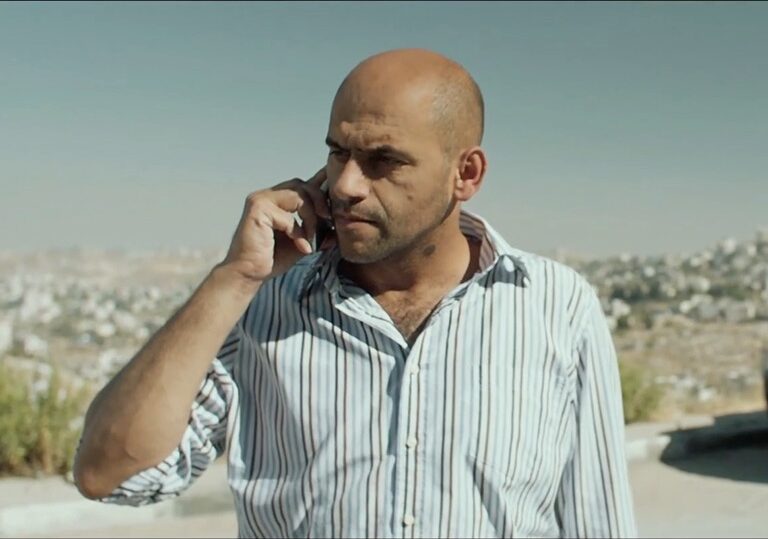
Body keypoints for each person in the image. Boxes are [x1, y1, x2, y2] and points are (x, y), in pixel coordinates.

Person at [72, 48, 637, 538]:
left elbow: (597, 520)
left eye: (382, 160)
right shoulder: (265, 304)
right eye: (338, 152)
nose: (345, 185)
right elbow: (110, 475)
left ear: (466, 174)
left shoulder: (555, 306)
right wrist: (234, 278)